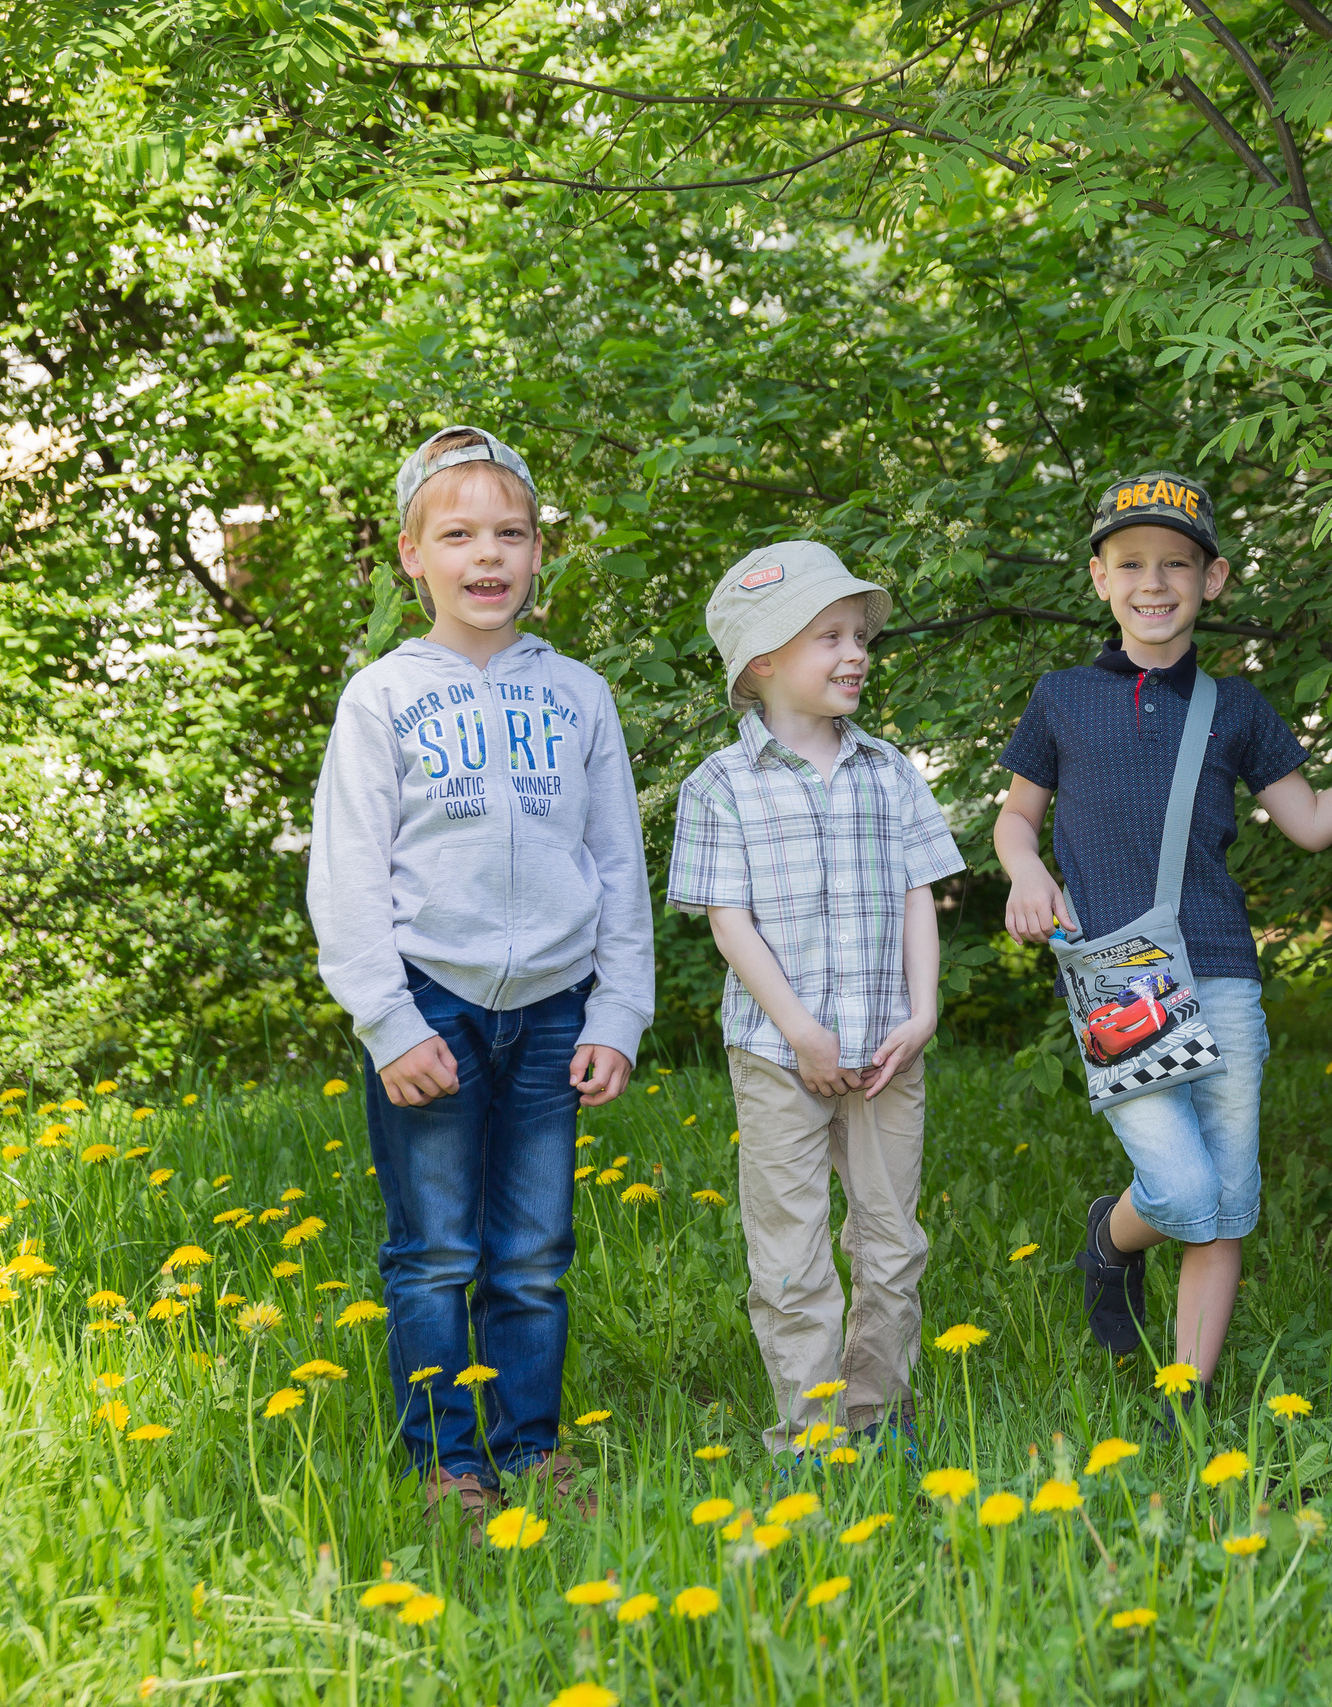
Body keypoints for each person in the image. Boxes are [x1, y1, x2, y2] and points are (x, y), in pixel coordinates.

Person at [994, 471, 1332, 1398]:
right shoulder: (1060, 697)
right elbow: (1017, 819)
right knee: (1177, 1191)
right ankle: (1111, 1237)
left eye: (1177, 564)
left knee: (1225, 1204)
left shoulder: (1239, 708)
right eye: (1131, 563)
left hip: (1220, 971)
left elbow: (1316, 819)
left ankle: (1189, 1399)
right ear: (1099, 577)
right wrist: (1027, 871)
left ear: (1212, 581)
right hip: (1116, 977)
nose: (1154, 582)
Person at [308, 426, 653, 1533]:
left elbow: (615, 865)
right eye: (458, 534)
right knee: (436, 1252)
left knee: (534, 1254)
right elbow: (347, 872)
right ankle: (448, 1465)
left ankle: (532, 1449)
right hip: (431, 1004)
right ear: (412, 556)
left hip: (553, 1008)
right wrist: (387, 1020)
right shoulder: (382, 698)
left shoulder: (581, 696)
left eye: (511, 533)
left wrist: (619, 1007)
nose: (487, 555)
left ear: (540, 553)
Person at [668, 543, 964, 1460]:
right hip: (775, 1049)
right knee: (792, 1252)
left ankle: (876, 1419)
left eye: (859, 635)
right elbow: (729, 923)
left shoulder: (890, 771)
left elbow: (921, 891)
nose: (856, 653)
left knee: (891, 1238)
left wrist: (923, 1013)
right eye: (828, 636)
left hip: (888, 1049)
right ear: (763, 661)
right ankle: (813, 1429)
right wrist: (800, 1030)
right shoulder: (718, 786)